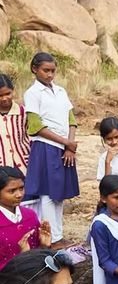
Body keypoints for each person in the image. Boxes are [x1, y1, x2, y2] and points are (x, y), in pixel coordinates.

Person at [23, 52, 79, 248]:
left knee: (60, 192)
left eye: (53, 71)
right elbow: (35, 126)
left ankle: (59, 234)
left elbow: (71, 119)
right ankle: (52, 238)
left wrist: (70, 145)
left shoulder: (61, 91)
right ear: (34, 69)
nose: (50, 75)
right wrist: (65, 141)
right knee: (47, 193)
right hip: (46, 146)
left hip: (64, 147)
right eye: (46, 70)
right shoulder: (33, 93)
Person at [0, 74, 40, 214]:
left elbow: (33, 134)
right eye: (0, 95)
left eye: (8, 94)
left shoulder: (23, 112)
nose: (5, 98)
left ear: (13, 91)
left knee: (26, 203)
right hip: (2, 168)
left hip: (24, 164)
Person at [0, 166, 51, 270]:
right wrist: (23, 259)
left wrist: (44, 246)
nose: (19, 194)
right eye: (12, 191)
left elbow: (37, 255)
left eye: (21, 188)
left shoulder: (30, 215)